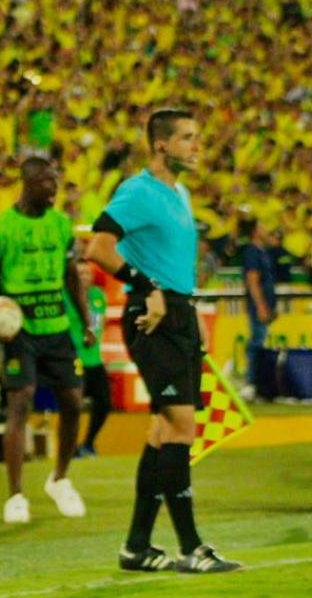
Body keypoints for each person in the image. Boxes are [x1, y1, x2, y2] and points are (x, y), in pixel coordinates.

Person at [86, 108, 241, 573]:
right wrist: (146, 286)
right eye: (188, 138)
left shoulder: (182, 193)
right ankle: (191, 547)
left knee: (163, 430)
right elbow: (98, 246)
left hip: (179, 313)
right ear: (161, 145)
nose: (197, 146)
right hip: (152, 317)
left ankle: (137, 546)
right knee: (182, 426)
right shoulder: (138, 191)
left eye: (198, 137)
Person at [0, 155, 91, 525]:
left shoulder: (61, 225)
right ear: (27, 182)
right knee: (19, 403)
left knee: (72, 400)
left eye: (55, 182)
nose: (53, 190)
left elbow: (72, 277)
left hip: (57, 327)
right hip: (19, 332)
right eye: (46, 183)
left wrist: (85, 320)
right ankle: (16, 495)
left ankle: (60, 478)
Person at [67, 259, 110, 457]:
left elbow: (97, 322)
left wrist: (90, 333)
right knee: (73, 407)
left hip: (95, 360)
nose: (84, 277)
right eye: (80, 274)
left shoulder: (98, 296)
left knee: (104, 403)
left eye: (87, 274)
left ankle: (88, 443)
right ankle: (71, 446)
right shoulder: (64, 297)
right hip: (74, 360)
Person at [239, 217, 277, 400]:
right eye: (261, 225)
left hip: (264, 305)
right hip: (258, 306)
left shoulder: (262, 251)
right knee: (256, 343)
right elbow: (252, 281)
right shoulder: (252, 252)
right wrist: (261, 306)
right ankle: (251, 383)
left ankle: (257, 383)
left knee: (260, 343)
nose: (265, 228)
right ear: (254, 231)